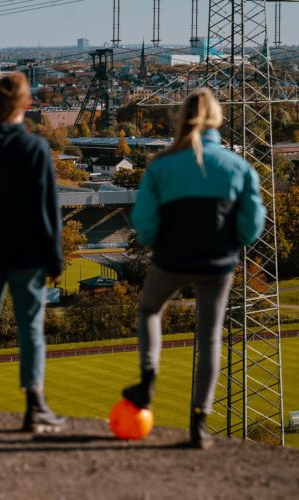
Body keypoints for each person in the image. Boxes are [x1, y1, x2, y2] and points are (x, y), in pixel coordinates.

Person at [122, 88, 265, 449]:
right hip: (218, 262)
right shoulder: (238, 166)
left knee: (151, 310)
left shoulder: (162, 165)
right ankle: (200, 422)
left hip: (172, 258)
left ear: (181, 119)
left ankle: (148, 375)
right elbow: (252, 224)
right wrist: (234, 243)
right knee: (211, 335)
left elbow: (143, 220)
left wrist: (161, 244)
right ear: (216, 119)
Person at [0, 73, 65, 432]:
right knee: (30, 329)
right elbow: (48, 210)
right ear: (27, 104)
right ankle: (34, 406)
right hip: (27, 253)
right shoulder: (34, 149)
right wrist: (55, 258)